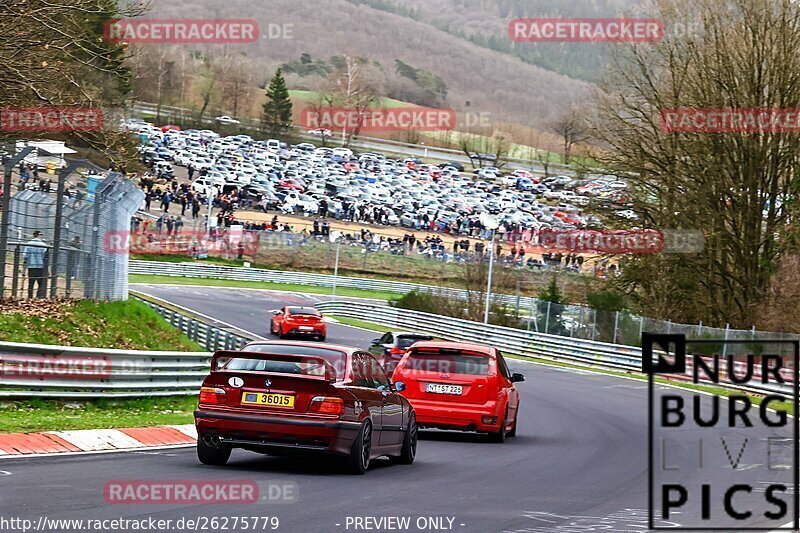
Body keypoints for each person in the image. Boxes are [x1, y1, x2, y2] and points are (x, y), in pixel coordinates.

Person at [23, 231, 47, 299]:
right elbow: (45, 256)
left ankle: (30, 297)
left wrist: (26, 261)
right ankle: (38, 296)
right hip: (40, 266)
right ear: (39, 235)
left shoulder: (29, 244)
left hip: (31, 266)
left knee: (31, 283)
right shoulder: (43, 245)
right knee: (40, 283)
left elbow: (25, 255)